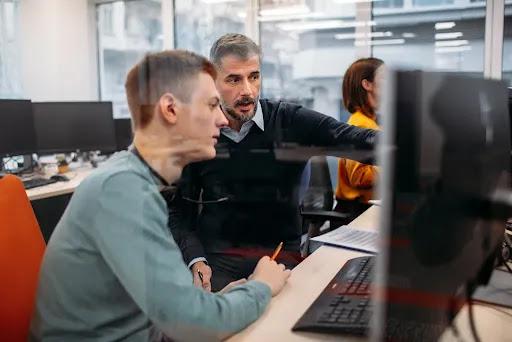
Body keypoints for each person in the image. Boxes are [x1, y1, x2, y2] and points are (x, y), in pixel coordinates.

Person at [29, 50, 291, 342]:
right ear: (170, 110)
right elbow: (193, 327)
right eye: (212, 105)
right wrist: (261, 287)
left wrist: (215, 304)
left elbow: (171, 310)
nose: (222, 119)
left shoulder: (134, 180)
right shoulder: (122, 191)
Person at [169, 33, 379, 292]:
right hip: (220, 261)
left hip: (280, 257)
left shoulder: (290, 121)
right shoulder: (199, 132)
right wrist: (195, 259)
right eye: (234, 79)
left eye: (254, 77)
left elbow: (363, 142)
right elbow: (178, 210)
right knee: (217, 327)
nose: (247, 91)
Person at [334, 58, 384, 221]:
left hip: (365, 207)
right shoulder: (360, 123)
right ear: (367, 85)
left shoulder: (373, 122)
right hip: (354, 213)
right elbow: (359, 177)